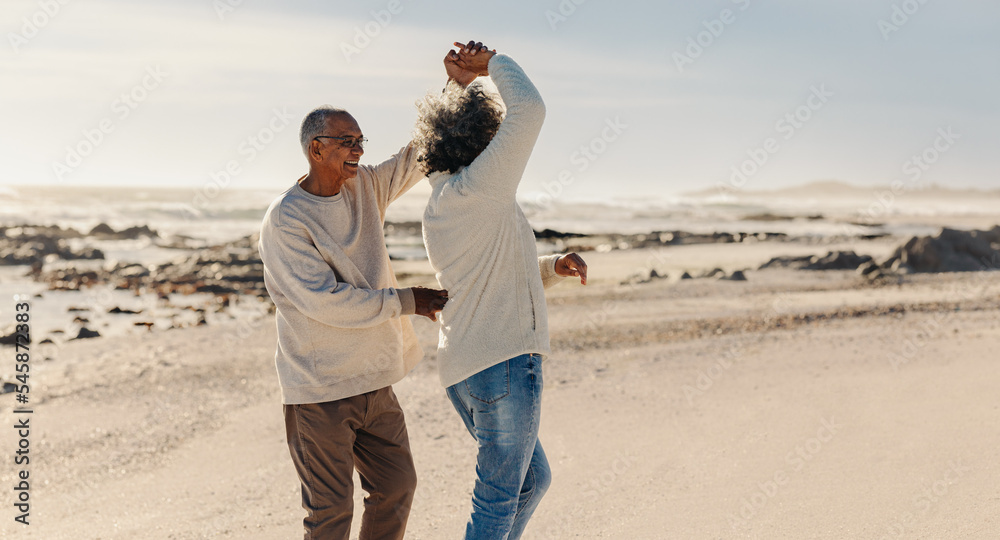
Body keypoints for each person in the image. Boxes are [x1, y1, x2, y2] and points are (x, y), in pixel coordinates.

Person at [257, 42, 488, 539]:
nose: (358, 149)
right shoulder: (286, 221)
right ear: (315, 148)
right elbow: (324, 302)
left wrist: (456, 86)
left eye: (361, 139)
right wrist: (408, 301)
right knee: (331, 513)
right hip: (319, 391)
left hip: (374, 384)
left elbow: (415, 157)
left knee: (397, 487)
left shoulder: (363, 186)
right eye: (346, 141)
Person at [414, 44, 589, 540]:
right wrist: (492, 64)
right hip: (503, 365)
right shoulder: (482, 189)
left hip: (467, 371)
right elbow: (530, 109)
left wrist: (551, 267)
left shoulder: (445, 196)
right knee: (494, 505)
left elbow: (495, 270)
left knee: (533, 479)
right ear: (482, 141)